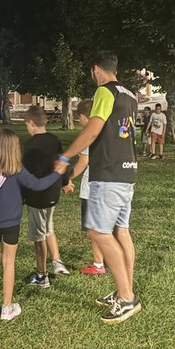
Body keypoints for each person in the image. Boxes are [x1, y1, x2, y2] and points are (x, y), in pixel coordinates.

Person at [55, 51, 141, 325]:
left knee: (98, 232)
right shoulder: (130, 95)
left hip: (109, 173)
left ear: (96, 69)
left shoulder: (105, 91)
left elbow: (93, 130)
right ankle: (125, 290)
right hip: (127, 171)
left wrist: (64, 158)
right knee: (121, 231)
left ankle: (127, 298)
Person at [0, 129, 65, 321]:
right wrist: (57, 173)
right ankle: (7, 307)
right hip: (11, 223)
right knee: (9, 262)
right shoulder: (16, 170)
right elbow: (37, 185)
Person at [21, 104, 70, 288]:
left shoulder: (29, 146)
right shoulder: (54, 140)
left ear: (31, 123)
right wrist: (65, 182)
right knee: (48, 228)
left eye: (27, 125)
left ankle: (41, 275)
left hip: (37, 197)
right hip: (53, 193)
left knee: (38, 236)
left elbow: (25, 175)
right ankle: (56, 261)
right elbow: (61, 162)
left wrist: (20, 195)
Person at [62, 98, 106, 275]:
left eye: (79, 117)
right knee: (107, 226)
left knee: (93, 229)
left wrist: (67, 178)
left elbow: (83, 162)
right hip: (107, 184)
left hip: (91, 187)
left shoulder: (89, 134)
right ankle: (111, 259)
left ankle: (98, 264)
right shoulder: (106, 131)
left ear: (83, 117)